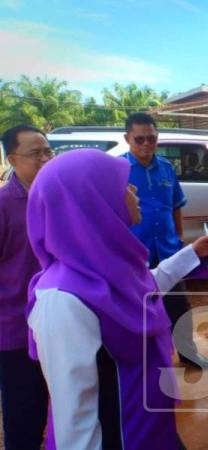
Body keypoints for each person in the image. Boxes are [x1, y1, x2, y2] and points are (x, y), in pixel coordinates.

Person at [26, 149, 208, 449]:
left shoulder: (105, 264)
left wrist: (191, 254)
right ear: (92, 201)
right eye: (122, 184)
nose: (133, 189)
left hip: (151, 432)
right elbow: (74, 415)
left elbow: (143, 290)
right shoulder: (61, 299)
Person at [122, 112, 208, 369]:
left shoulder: (167, 168)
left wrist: (180, 236)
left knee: (179, 307)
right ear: (127, 138)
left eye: (152, 138)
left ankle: (189, 354)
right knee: (138, 310)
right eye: (140, 139)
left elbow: (175, 206)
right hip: (136, 255)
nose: (146, 144)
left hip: (168, 251)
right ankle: (144, 363)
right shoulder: (118, 170)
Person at [0, 125, 52, 450]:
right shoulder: (4, 205)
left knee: (64, 413)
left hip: (57, 328)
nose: (46, 159)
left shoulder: (58, 197)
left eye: (48, 150)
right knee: (24, 420)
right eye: (36, 154)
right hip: (16, 333)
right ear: (12, 159)